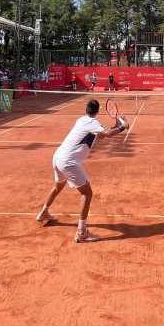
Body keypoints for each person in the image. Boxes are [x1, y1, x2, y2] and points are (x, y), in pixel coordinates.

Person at [35, 99, 128, 243]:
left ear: (87, 110)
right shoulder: (93, 123)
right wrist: (123, 127)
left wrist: (117, 125)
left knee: (58, 186)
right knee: (87, 193)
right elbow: (107, 133)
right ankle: (81, 232)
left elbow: (103, 135)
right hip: (68, 162)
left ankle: (43, 212)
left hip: (57, 157)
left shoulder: (82, 120)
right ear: (98, 111)